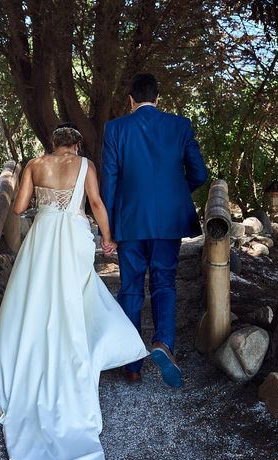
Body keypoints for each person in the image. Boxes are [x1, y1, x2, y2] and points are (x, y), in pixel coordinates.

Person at [0, 126, 148, 460]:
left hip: (42, 236)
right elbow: (97, 203)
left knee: (35, 296)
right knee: (73, 299)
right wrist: (108, 238)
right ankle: (77, 349)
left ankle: (35, 349)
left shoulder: (35, 164)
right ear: (76, 145)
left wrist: (42, 195)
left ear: (52, 145)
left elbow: (21, 206)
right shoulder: (85, 164)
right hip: (72, 239)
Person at [100, 73, 208, 388]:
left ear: (130, 100)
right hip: (167, 223)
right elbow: (199, 173)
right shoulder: (180, 126)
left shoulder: (115, 129)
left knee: (131, 288)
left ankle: (132, 363)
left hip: (129, 222)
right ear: (157, 99)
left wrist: (107, 229)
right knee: (164, 283)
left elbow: (109, 182)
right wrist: (174, 193)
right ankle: (163, 343)